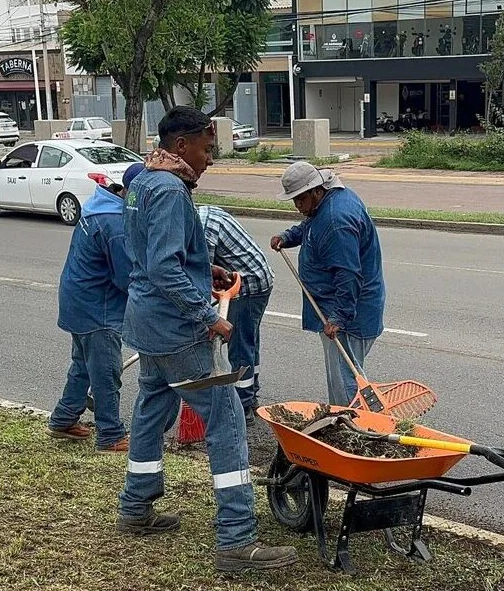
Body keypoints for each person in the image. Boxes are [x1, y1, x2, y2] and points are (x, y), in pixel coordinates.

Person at [117, 106, 297, 572]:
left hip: (145, 325)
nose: (210, 158)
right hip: (177, 331)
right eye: (207, 147)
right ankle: (236, 541)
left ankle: (135, 508)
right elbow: (162, 266)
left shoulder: (141, 182)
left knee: (152, 408)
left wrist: (206, 269)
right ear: (182, 145)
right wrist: (206, 314)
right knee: (227, 420)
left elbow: (151, 254)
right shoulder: (172, 191)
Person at [46, 163, 145, 452]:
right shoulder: (114, 224)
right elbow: (127, 278)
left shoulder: (101, 206)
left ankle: (63, 419)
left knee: (83, 365)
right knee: (106, 370)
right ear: (133, 193)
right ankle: (111, 434)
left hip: (78, 299)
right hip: (96, 308)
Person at [271, 162, 386, 408]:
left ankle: (354, 428)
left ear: (316, 190)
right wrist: (289, 237)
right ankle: (357, 420)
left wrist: (338, 318)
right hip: (339, 309)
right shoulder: (325, 205)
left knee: (346, 382)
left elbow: (348, 275)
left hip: (350, 313)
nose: (297, 207)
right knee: (347, 375)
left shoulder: (336, 220)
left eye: (300, 200)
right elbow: (311, 228)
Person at [197, 204, 274, 423]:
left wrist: (206, 318)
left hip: (246, 285)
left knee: (239, 346)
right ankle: (251, 394)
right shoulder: (204, 212)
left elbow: (202, 275)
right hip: (258, 280)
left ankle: (243, 407)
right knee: (249, 341)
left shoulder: (202, 227)